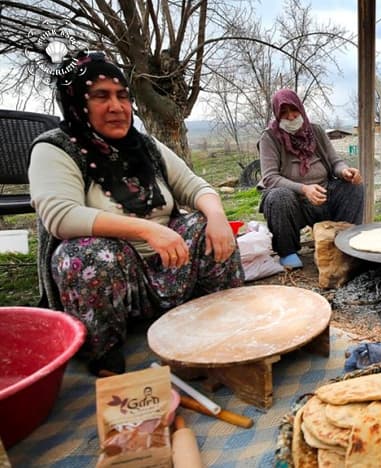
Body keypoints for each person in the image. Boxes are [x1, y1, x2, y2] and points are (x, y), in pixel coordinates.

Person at [29, 51, 245, 376]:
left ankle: (223, 325)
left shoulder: (146, 145)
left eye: (122, 96)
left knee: (205, 225)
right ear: (76, 102)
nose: (116, 107)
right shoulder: (56, 148)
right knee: (83, 254)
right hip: (113, 276)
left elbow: (195, 186)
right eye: (101, 96)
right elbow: (60, 216)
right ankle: (105, 355)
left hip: (170, 266)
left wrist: (216, 217)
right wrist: (147, 230)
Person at [257, 89, 364, 269]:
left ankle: (344, 243)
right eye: (284, 113)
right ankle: (288, 252)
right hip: (294, 204)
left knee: (354, 188)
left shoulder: (315, 131)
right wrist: (304, 189)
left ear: (301, 109)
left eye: (294, 110)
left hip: (324, 195)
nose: (291, 117)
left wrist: (345, 171)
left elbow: (334, 161)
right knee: (278, 196)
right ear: (277, 114)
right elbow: (270, 178)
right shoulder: (269, 137)